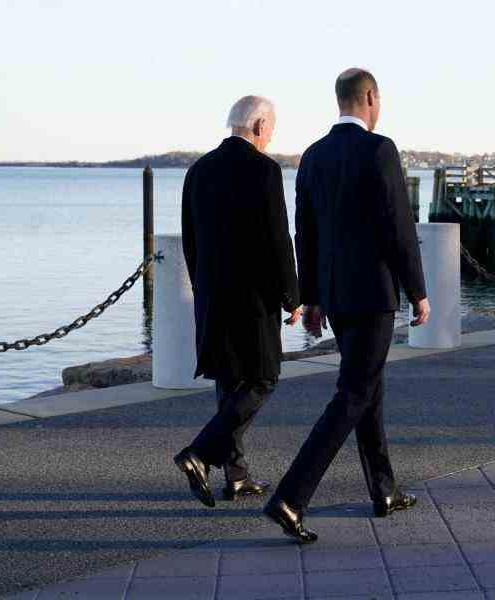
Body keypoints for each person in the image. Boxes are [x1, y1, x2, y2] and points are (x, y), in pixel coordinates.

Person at [263, 68, 431, 543]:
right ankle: (290, 499)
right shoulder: (381, 150)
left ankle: (384, 490)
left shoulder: (313, 156)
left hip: (337, 297)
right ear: (371, 97)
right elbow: (398, 228)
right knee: (354, 393)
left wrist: (311, 297)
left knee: (367, 386)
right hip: (374, 294)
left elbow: (306, 234)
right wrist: (418, 289)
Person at [174, 96, 302, 508]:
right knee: (263, 378)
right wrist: (292, 296)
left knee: (230, 382)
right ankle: (199, 453)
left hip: (212, 295)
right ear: (260, 126)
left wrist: (202, 288)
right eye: (273, 128)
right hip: (254, 298)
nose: (272, 137)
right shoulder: (264, 171)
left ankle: (237, 475)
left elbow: (190, 241)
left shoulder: (198, 171)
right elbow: (278, 239)